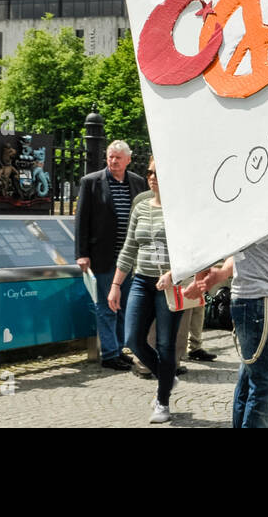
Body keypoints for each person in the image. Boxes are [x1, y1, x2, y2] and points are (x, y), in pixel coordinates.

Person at [107, 157, 182, 424]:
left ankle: (162, 401)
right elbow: (129, 247)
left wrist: (173, 274)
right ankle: (166, 376)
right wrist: (116, 285)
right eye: (149, 172)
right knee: (133, 339)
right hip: (141, 280)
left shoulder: (179, 209)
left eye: (157, 173)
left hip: (169, 285)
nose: (151, 177)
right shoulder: (140, 205)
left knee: (165, 343)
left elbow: (189, 251)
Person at [195, 229, 268, 427]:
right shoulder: (261, 204)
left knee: (250, 381)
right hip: (259, 299)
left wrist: (221, 272)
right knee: (265, 384)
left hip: (260, 299)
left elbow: (240, 249)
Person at [75, 141, 148, 370]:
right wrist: (82, 254)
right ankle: (109, 354)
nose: (113, 161)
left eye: (118, 158)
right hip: (103, 255)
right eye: (110, 157)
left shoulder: (137, 182)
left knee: (124, 305)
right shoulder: (91, 182)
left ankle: (119, 348)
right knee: (106, 306)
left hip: (130, 258)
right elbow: (81, 220)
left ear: (128, 159)